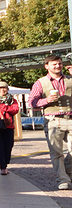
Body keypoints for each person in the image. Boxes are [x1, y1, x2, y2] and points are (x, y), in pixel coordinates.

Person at [29, 54, 72, 190]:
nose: (58, 66)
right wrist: (46, 101)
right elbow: (32, 102)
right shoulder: (40, 82)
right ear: (47, 66)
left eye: (59, 63)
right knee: (56, 152)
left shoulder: (70, 79)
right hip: (53, 120)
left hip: (70, 118)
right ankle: (63, 179)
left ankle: (66, 171)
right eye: (54, 64)